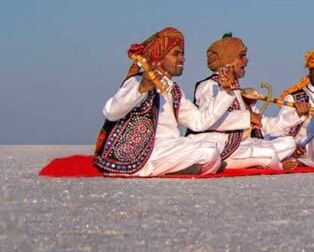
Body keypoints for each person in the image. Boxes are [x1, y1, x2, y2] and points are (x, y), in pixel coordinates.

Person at [93, 27, 246, 176]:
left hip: (169, 146)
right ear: (159, 57)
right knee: (209, 153)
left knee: (212, 150)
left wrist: (225, 92)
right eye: (176, 54)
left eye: (182, 53)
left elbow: (198, 122)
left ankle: (186, 167)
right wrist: (141, 89)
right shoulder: (138, 81)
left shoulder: (173, 90)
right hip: (145, 150)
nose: (182, 59)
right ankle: (151, 169)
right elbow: (111, 112)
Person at [188, 34, 298, 170]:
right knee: (269, 154)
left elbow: (264, 125)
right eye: (241, 56)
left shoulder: (237, 91)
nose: (246, 61)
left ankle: (249, 163)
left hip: (242, 144)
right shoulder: (209, 85)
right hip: (216, 143)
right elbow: (207, 120)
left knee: (289, 143)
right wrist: (247, 117)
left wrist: (297, 115)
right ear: (228, 60)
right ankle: (271, 165)